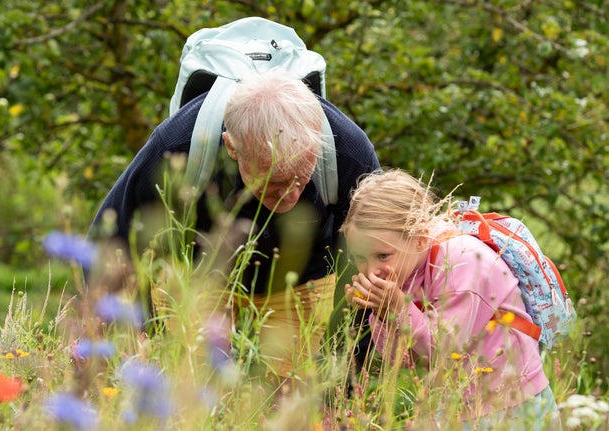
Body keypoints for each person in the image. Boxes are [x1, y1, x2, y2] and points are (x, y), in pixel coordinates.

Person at [87, 69, 380, 382]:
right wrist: (137, 333)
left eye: (302, 175)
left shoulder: (348, 152)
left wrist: (345, 366)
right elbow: (109, 241)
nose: (291, 193)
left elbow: (376, 257)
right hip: (201, 277)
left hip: (302, 282)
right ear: (231, 147)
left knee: (290, 395)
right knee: (193, 391)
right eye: (275, 181)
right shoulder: (177, 146)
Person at [341, 169, 561, 429]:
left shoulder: (462, 261)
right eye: (360, 258)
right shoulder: (406, 272)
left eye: (383, 256)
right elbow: (403, 360)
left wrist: (397, 307)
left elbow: (444, 349)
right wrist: (381, 312)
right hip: (459, 406)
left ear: (420, 238)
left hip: (513, 405)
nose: (370, 271)